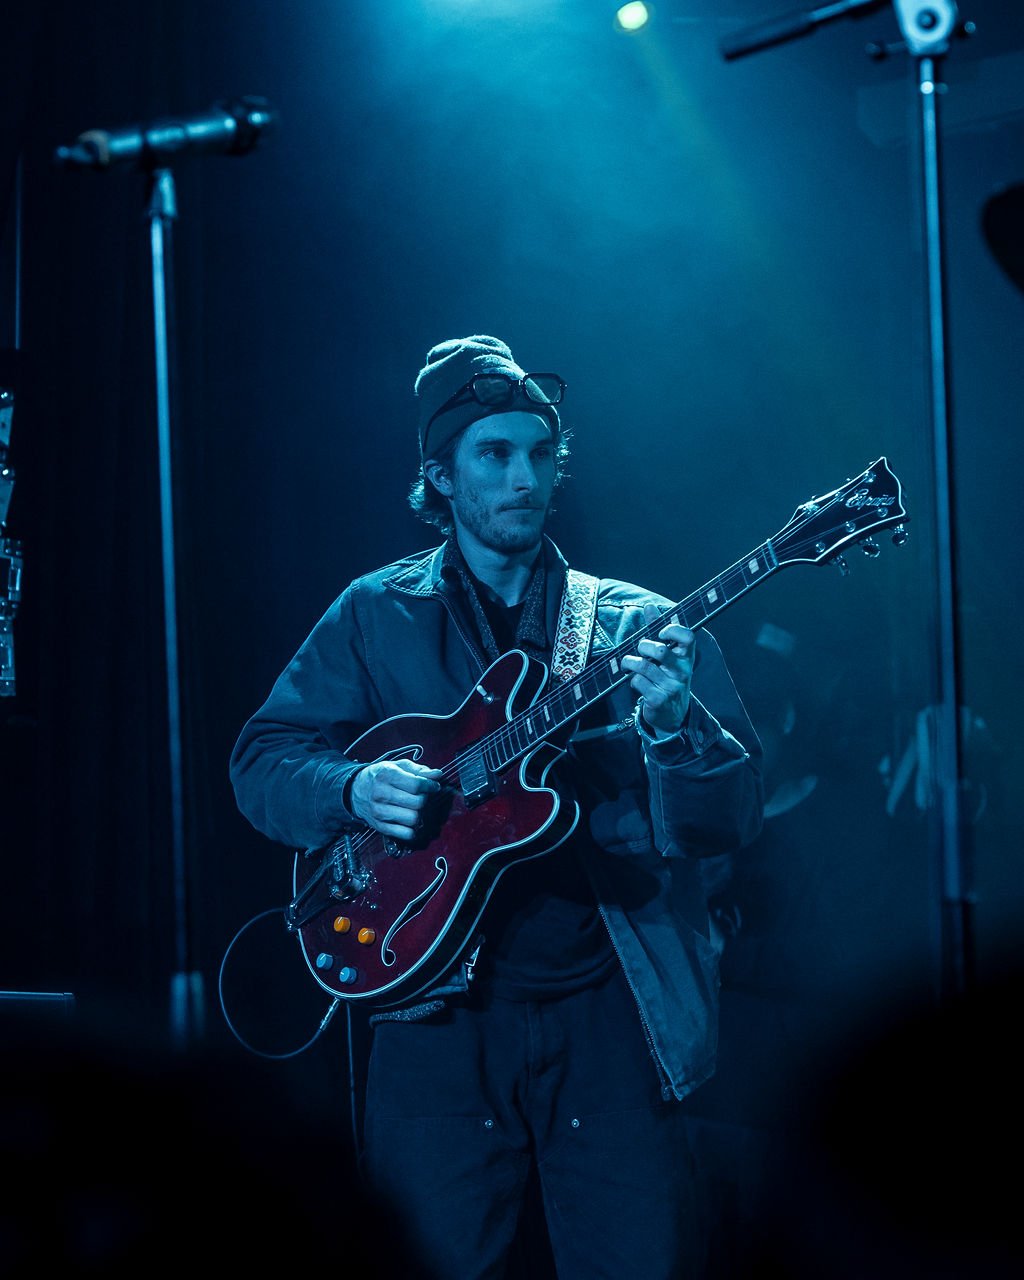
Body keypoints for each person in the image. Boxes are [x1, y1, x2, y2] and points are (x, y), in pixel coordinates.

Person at [229, 334, 765, 1280]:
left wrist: (675, 728)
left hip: (612, 1009)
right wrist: (352, 787)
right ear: (441, 476)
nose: (524, 477)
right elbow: (262, 762)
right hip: (432, 1013)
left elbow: (728, 822)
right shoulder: (374, 613)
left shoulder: (637, 625)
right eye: (494, 454)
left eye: (540, 452)